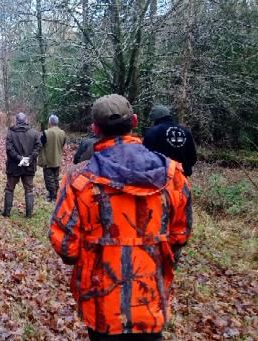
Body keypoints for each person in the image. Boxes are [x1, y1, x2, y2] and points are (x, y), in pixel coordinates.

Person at [50, 94, 193, 340]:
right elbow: (180, 235)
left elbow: (67, 246)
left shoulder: (78, 179)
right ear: (135, 121)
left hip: (101, 303)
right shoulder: (173, 175)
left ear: (95, 128)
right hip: (150, 299)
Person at [3, 112, 42, 218]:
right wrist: (29, 158)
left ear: (17, 121)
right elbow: (38, 147)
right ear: (26, 120)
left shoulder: (11, 133)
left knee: (10, 188)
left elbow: (9, 149)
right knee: (29, 189)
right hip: (28, 166)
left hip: (14, 166)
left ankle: (6, 213)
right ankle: (29, 215)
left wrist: (21, 159)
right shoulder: (34, 133)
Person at [143, 105, 197, 176]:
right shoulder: (186, 132)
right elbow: (192, 158)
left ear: (155, 119)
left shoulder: (153, 132)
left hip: (160, 178)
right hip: (182, 178)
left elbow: (145, 157)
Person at [39, 114, 66, 202]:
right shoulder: (62, 133)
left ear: (50, 123)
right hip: (57, 159)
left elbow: (40, 144)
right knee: (55, 177)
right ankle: (56, 194)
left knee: (49, 179)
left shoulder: (46, 133)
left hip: (48, 160)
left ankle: (52, 196)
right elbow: (62, 144)